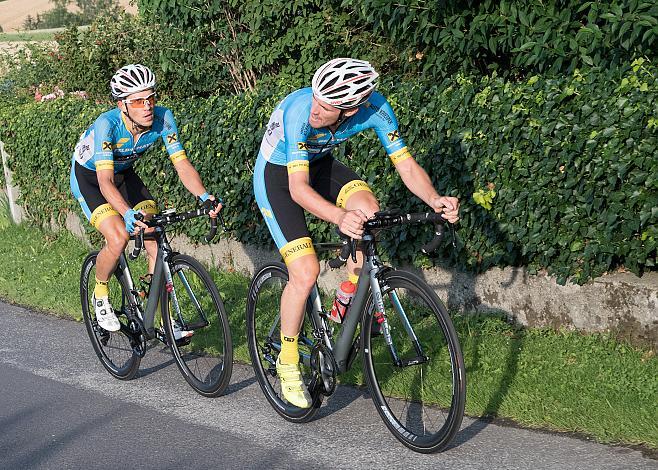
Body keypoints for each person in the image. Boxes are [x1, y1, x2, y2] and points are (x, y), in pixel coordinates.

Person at [253, 58, 460, 408]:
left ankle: (347, 298)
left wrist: (434, 198)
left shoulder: (376, 109)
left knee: (370, 214)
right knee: (305, 272)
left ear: (352, 109)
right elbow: (298, 189)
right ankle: (287, 359)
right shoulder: (299, 112)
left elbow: (405, 164)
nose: (316, 109)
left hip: (322, 166)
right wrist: (338, 216)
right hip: (278, 177)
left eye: (327, 106)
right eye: (317, 98)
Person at [70, 64, 221, 335]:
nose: (148, 106)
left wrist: (204, 196)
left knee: (153, 232)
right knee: (117, 237)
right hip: (92, 178)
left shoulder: (164, 119)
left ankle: (160, 316)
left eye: (151, 98)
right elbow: (105, 181)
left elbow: (181, 164)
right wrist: (126, 213)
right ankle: (100, 294)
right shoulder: (108, 124)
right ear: (122, 105)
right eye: (139, 101)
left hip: (124, 174)